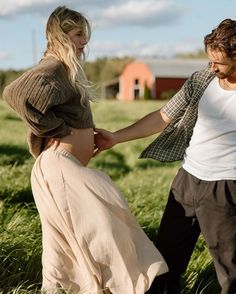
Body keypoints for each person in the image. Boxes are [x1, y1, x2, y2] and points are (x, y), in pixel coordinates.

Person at [3, 6, 168, 294]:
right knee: (108, 231)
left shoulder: (66, 70)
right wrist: (58, 130)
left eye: (85, 35)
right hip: (59, 167)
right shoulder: (53, 66)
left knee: (65, 248)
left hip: (64, 169)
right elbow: (16, 93)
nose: (84, 42)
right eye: (78, 34)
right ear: (60, 35)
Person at [94, 18, 236, 294]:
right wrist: (116, 137)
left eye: (220, 63)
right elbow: (162, 117)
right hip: (187, 181)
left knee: (230, 272)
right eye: (210, 60)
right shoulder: (202, 79)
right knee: (165, 261)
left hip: (225, 188)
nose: (212, 66)